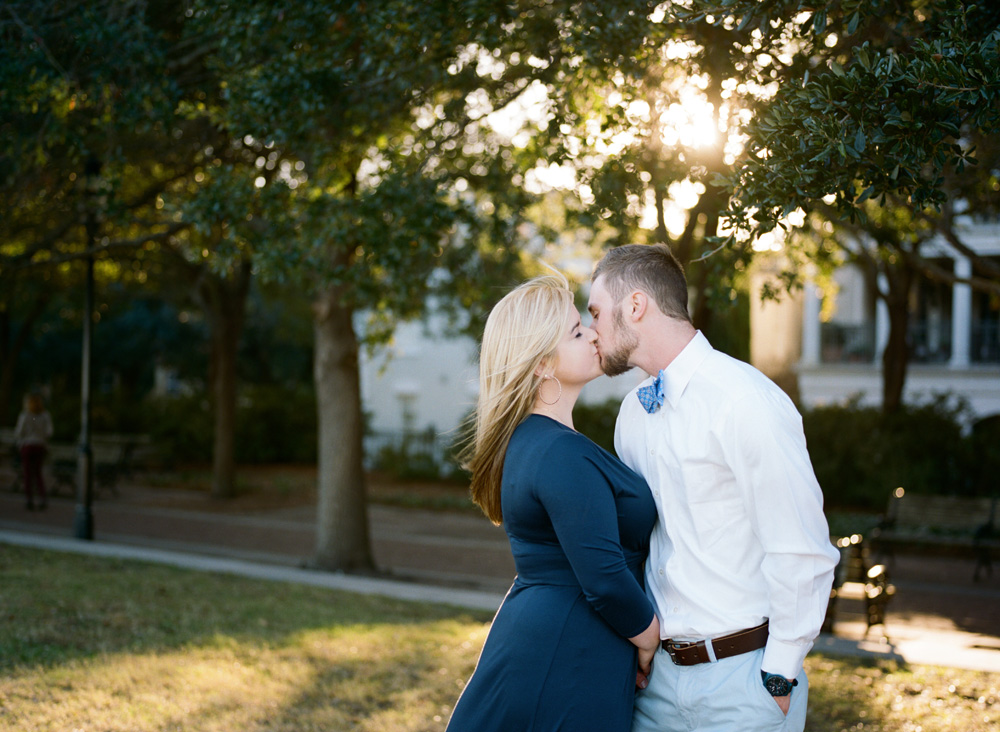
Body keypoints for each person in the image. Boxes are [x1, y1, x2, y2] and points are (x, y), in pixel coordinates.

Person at [587, 244, 839, 732]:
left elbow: (801, 549)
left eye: (596, 311)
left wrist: (780, 674)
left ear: (635, 306)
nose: (591, 327)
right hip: (655, 684)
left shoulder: (746, 401)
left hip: (744, 683)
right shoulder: (633, 414)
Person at [446, 273, 661, 732]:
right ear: (543, 364)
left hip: (556, 638)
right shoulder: (559, 451)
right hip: (569, 649)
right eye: (576, 331)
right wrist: (649, 638)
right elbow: (603, 576)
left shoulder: (535, 441)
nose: (593, 334)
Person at [14, 392, 54, 511]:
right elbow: (49, 432)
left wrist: (22, 440)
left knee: (27, 474)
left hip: (27, 445)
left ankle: (29, 499)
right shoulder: (45, 415)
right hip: (40, 445)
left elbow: (19, 432)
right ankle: (42, 498)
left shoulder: (26, 415)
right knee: (38, 474)